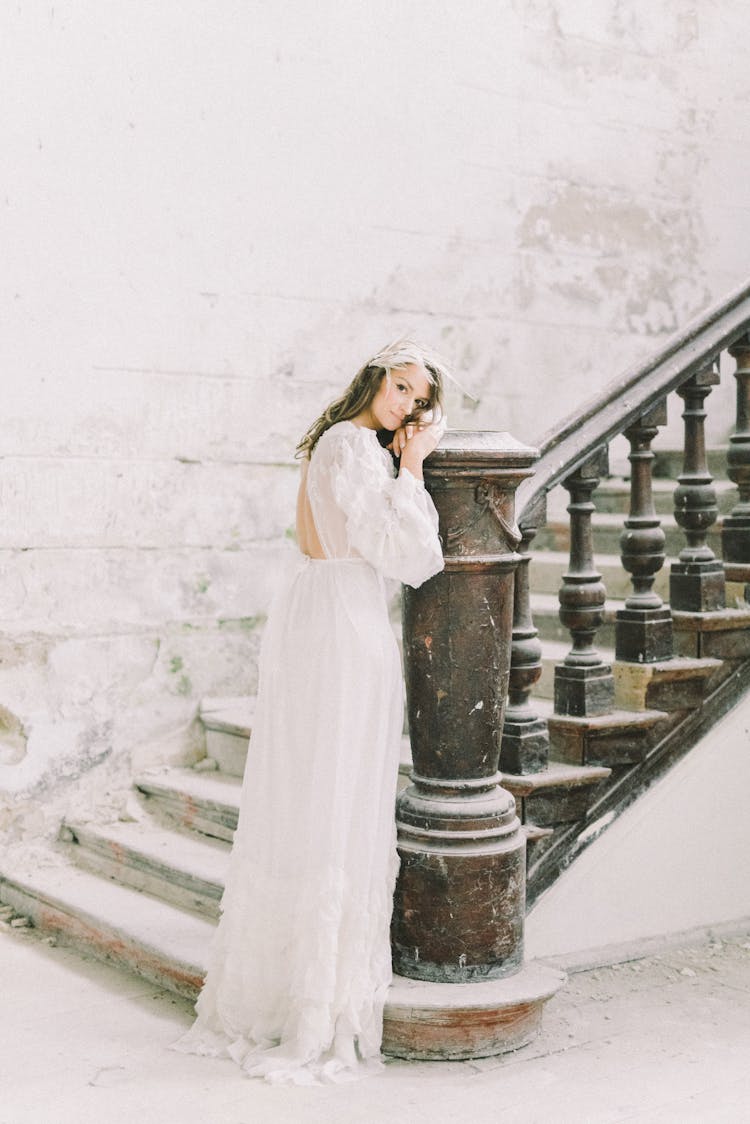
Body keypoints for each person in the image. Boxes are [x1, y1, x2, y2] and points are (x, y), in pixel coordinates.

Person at [172, 339, 448, 1084]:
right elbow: (412, 556)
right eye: (401, 387)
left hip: (320, 608)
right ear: (374, 380)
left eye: (421, 402)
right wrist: (415, 467)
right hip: (348, 620)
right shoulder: (359, 448)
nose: (408, 405)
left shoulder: (334, 440)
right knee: (337, 798)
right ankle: (314, 1006)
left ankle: (289, 987)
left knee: (314, 794)